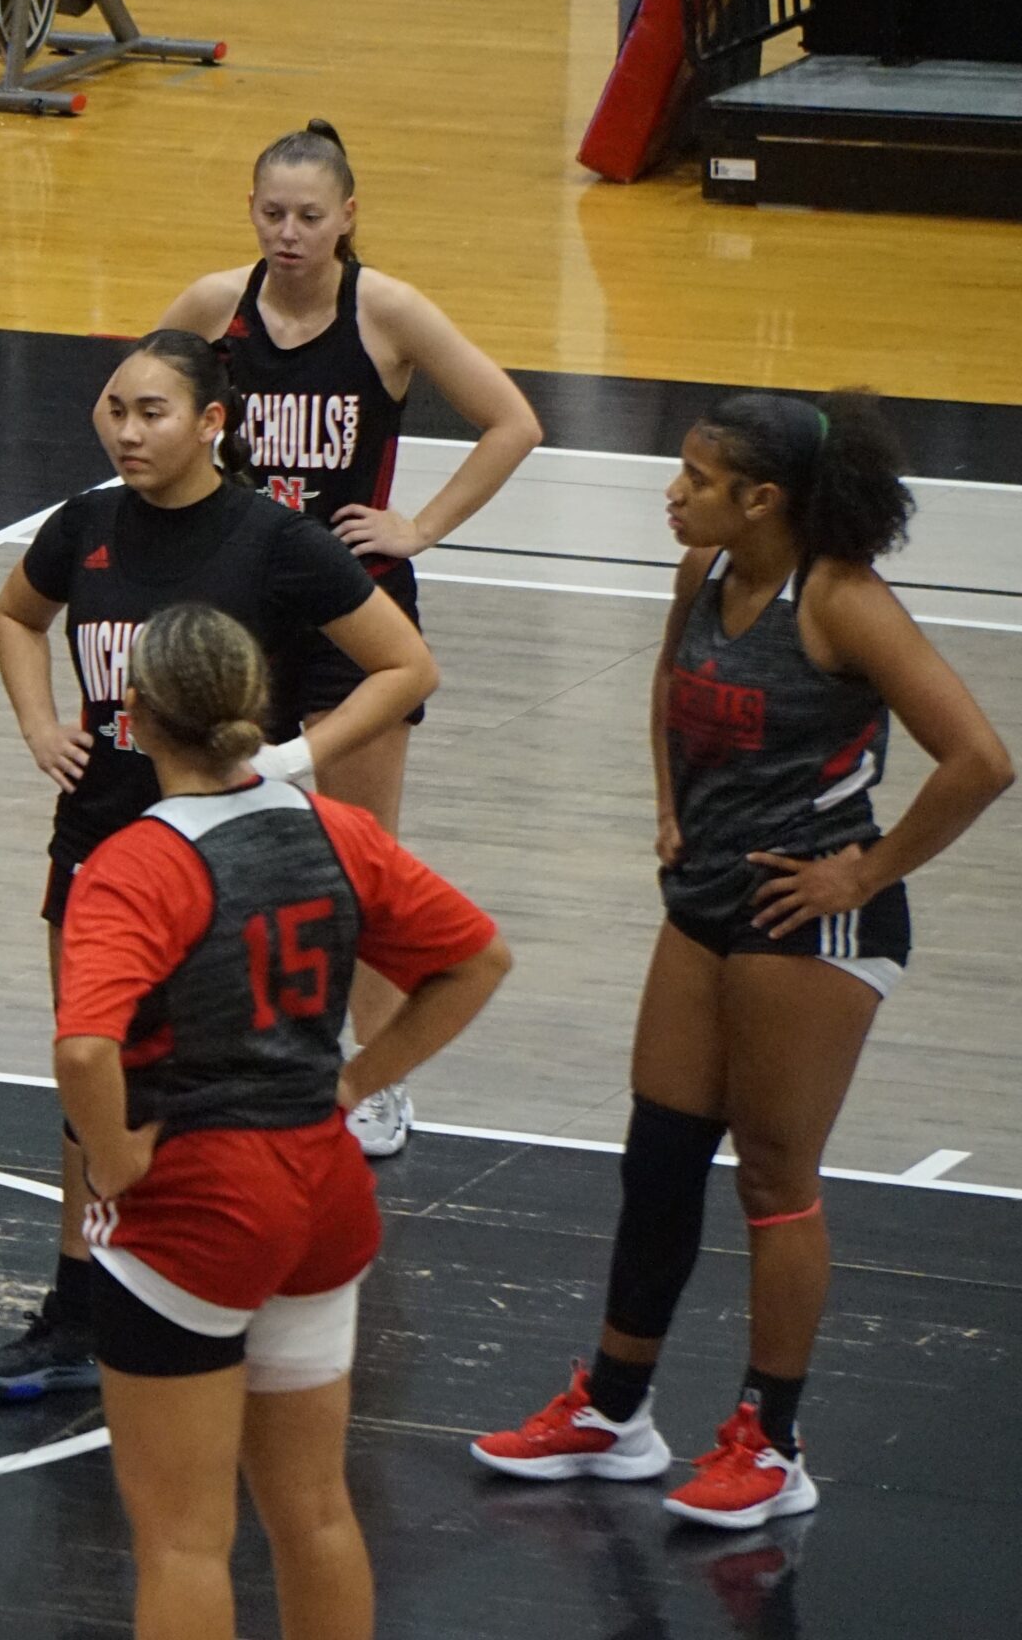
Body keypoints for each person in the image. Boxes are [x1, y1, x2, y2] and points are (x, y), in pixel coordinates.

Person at [471, 391, 1010, 1529]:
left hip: (811, 917)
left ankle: (773, 1441)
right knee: (660, 1157)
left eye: (695, 479)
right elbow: (671, 690)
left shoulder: (846, 602)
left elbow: (979, 758)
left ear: (761, 499)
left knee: (773, 1178)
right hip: (706, 899)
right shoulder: (704, 576)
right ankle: (614, 1409)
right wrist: (671, 806)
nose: (672, 493)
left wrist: (859, 874)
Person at [0, 331, 438, 1405]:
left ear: (212, 422)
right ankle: (79, 1308)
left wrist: (298, 755)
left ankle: (213, 1285)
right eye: (115, 409)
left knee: (208, 1085)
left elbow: (406, 663)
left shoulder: (273, 539)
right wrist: (41, 723)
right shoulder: (82, 524)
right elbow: (13, 613)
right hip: (97, 843)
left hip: (224, 861)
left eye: (153, 412)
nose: (127, 430)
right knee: (88, 1085)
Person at [55, 601, 510, 1640]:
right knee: (313, 1511)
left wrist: (116, 1156)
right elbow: (477, 957)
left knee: (181, 1541)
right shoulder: (335, 828)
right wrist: (359, 1081)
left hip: (200, 1204)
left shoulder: (135, 863)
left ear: (134, 712)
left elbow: (84, 1049)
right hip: (323, 1186)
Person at [157, 120, 542, 1159]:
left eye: (309, 216)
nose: (288, 233)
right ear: (250, 210)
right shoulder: (210, 308)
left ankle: (375, 1076)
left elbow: (512, 421)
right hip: (236, 609)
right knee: (235, 843)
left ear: (348, 217)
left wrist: (419, 524)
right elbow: (138, 410)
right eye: (271, 213)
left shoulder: (388, 312)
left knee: (353, 854)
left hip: (352, 611)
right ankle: (248, 1049)